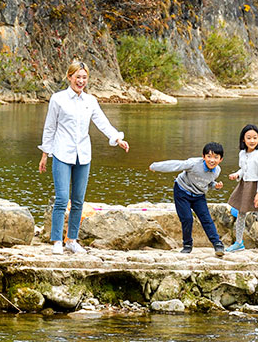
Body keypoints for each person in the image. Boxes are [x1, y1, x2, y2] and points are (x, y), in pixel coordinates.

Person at [38, 59, 130, 254]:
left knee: (78, 200)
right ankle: (56, 241)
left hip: (83, 155)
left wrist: (117, 138)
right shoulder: (58, 99)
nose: (81, 81)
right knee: (62, 199)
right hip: (62, 153)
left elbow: (102, 122)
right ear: (69, 77)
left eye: (84, 77)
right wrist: (45, 154)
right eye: (77, 77)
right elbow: (50, 127)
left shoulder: (90, 101)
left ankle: (71, 239)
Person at [149, 142, 226, 256]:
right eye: (209, 156)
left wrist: (215, 186)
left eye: (216, 157)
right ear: (203, 157)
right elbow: (175, 165)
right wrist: (155, 166)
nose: (212, 160)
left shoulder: (217, 171)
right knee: (187, 218)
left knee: (206, 219)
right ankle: (187, 245)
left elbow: (207, 182)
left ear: (221, 159)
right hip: (182, 192)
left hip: (199, 195)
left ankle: (217, 244)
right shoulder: (193, 164)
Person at [227, 124, 258, 255]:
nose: (252, 140)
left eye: (255, 137)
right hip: (245, 186)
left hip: (257, 186)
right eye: (249, 138)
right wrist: (237, 174)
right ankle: (238, 243)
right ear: (243, 139)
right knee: (241, 214)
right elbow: (243, 169)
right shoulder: (242, 153)